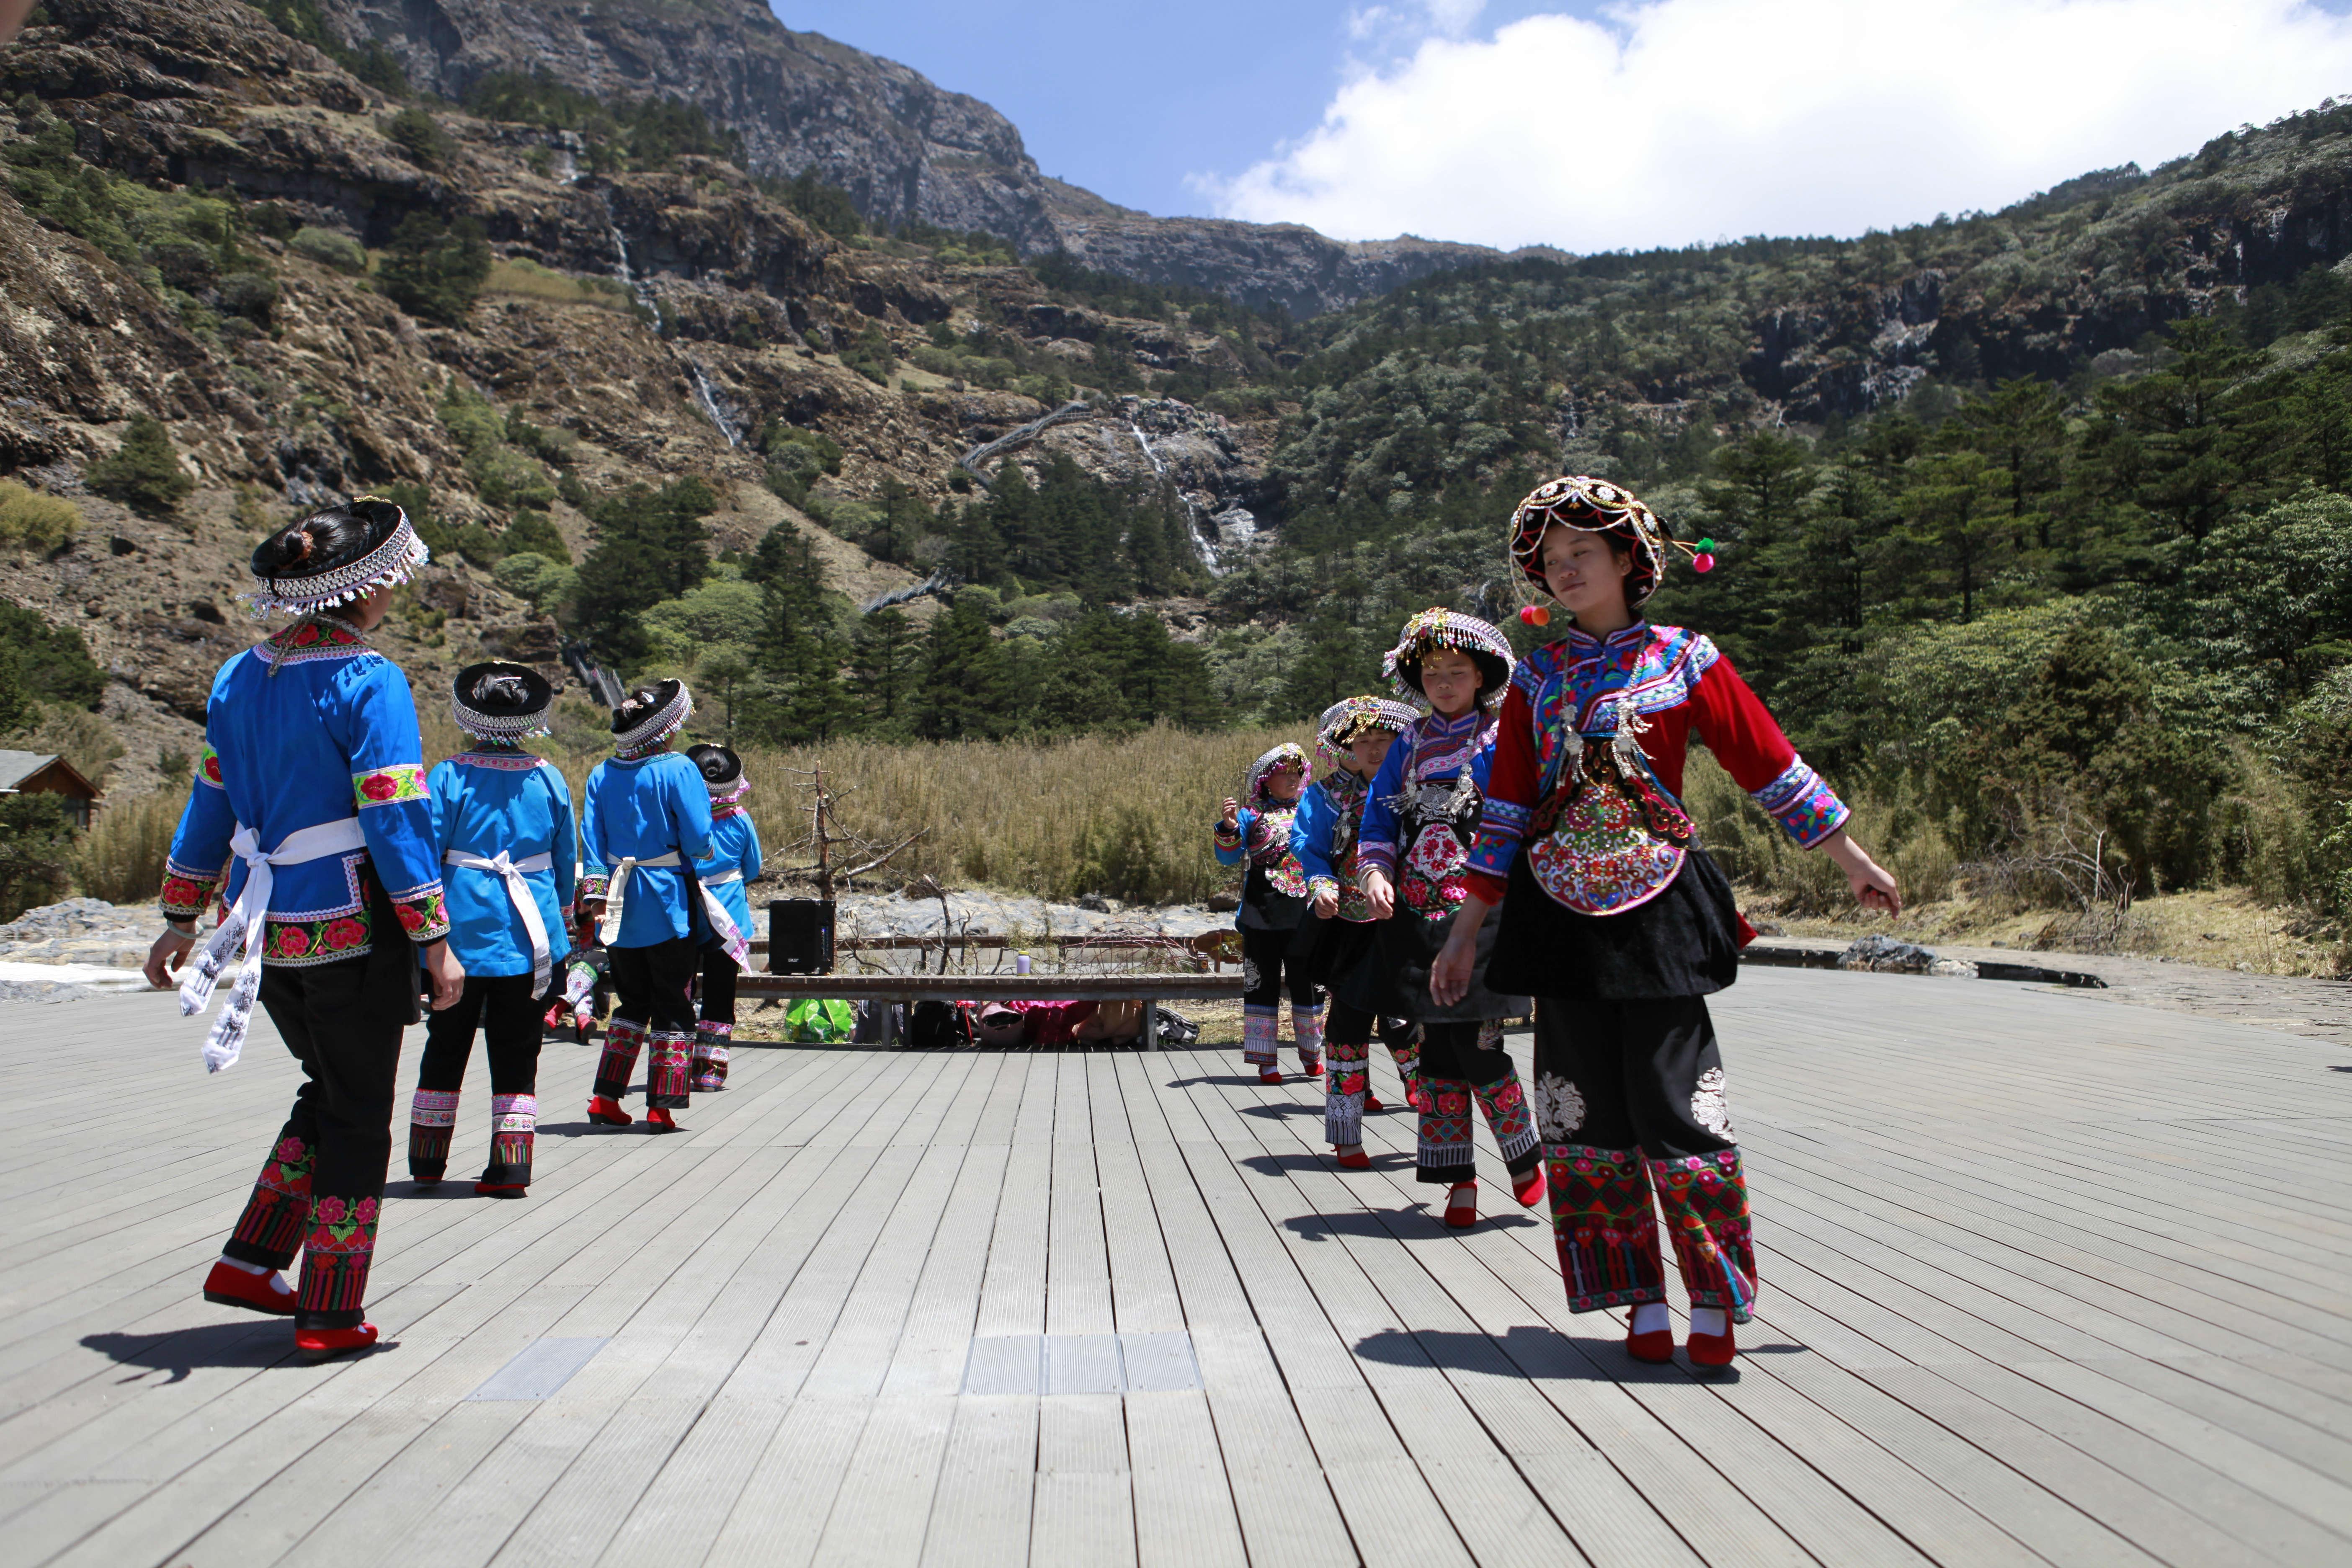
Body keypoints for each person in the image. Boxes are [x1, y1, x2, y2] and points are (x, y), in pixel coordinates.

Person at [1437, 475, 1900, 1368]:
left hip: (1658, 908)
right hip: (1559, 910)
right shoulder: (1537, 678)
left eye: (1584, 554)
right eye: (1552, 560)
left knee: (1681, 1105)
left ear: (1628, 561)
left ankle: (1715, 1299)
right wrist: (1464, 934)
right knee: (1579, 1113)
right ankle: (1636, 1301)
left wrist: (1851, 859)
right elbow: (1504, 812)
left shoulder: (1687, 661)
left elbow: (1766, 762)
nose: (1565, 571)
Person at [144, 498, 462, 1361]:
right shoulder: (367, 679)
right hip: (351, 923)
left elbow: (209, 800)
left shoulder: (239, 678)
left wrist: (179, 917)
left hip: (260, 924)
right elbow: (395, 813)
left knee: (327, 1090)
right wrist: (433, 936)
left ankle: (251, 1260)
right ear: (371, 587)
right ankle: (330, 1307)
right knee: (358, 1115)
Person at [1348, 609, 1543, 1229]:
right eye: (1432, 672)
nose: (1444, 682)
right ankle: (1457, 1179)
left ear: (1482, 675)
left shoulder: (1500, 738)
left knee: (1478, 1047)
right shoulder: (1406, 745)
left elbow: (1519, 816)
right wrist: (1374, 874)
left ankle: (1521, 1155)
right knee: (1435, 1055)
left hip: (1483, 913)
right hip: (1416, 918)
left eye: (1457, 671)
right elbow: (1379, 825)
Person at [406, 663, 576, 1197]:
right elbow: (565, 861)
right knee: (519, 1048)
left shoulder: (449, 776)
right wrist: (566, 917)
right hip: (531, 938)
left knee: (446, 1043)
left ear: (472, 716)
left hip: (459, 939)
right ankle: (511, 1169)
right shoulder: (548, 776)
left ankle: (428, 1163)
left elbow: (424, 856)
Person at [579, 680, 736, 1132]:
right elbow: (699, 838)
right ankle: (661, 1104)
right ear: (667, 728)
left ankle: (606, 1097)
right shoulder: (677, 770)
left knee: (631, 1000)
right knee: (672, 997)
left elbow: (592, 842)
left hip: (618, 900)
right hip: (666, 896)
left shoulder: (601, 774)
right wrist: (699, 851)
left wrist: (596, 892)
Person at [1291, 694, 1426, 1167]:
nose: (1373, 749)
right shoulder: (1327, 795)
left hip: (1404, 922)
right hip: (1349, 925)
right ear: (1347, 747)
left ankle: (1430, 1106)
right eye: (1363, 741)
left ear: (1400, 742)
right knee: (1347, 1026)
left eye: (1383, 740)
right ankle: (1346, 1134)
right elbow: (1309, 846)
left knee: (1405, 1019)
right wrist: (1322, 886)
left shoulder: (1419, 790)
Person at [1213, 743, 1323, 1084]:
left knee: (1310, 985)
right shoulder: (1250, 814)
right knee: (1261, 985)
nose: (1293, 780)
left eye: (1297, 774)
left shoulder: (1313, 807)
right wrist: (1230, 828)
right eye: (1284, 775)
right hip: (1263, 912)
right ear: (1266, 781)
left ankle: (1311, 1055)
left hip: (1307, 911)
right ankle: (1266, 1061)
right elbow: (1229, 858)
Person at [686, 744, 761, 1092]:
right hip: (728, 916)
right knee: (720, 992)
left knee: (681, 990)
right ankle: (710, 1071)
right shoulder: (741, 819)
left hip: (687, 912)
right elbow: (753, 867)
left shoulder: (685, 819)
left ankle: (674, 1064)